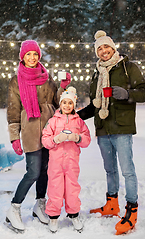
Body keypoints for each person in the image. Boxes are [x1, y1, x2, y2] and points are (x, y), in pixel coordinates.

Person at [77, 30, 145, 235]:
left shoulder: (128, 68)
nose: (103, 51)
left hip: (122, 128)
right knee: (110, 170)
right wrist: (77, 115)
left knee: (127, 170)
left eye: (106, 47)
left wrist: (127, 94)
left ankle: (132, 210)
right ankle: (112, 204)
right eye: (99, 48)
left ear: (113, 47)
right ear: (96, 52)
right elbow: (95, 105)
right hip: (103, 128)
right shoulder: (96, 74)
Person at [6, 40, 71, 232]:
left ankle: (39, 204)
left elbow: (56, 102)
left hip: (50, 130)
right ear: (22, 57)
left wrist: (63, 86)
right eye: (28, 54)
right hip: (30, 130)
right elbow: (13, 110)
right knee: (33, 172)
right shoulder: (16, 80)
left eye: (35, 54)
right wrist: (14, 137)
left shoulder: (46, 77)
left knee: (45, 170)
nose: (32, 58)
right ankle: (14, 208)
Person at [42, 86, 91, 233]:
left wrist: (78, 137)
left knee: (72, 189)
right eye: (65, 103)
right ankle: (53, 217)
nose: (67, 106)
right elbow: (45, 140)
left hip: (71, 163)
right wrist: (56, 139)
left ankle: (74, 214)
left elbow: (87, 140)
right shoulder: (53, 121)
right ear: (60, 104)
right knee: (55, 189)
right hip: (56, 163)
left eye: (70, 103)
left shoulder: (79, 122)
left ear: (74, 105)